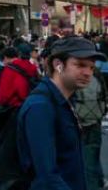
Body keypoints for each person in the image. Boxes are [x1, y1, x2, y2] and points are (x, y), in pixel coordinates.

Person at [18, 36, 104, 190]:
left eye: (91, 67)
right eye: (80, 65)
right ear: (58, 65)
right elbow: (47, 175)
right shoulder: (41, 107)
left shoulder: (65, 100)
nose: (88, 73)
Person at [75, 67, 108, 190]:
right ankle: (99, 180)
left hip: (80, 121)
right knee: (93, 154)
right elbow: (104, 94)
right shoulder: (96, 73)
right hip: (95, 119)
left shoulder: (73, 74)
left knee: (86, 160)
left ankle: (92, 185)